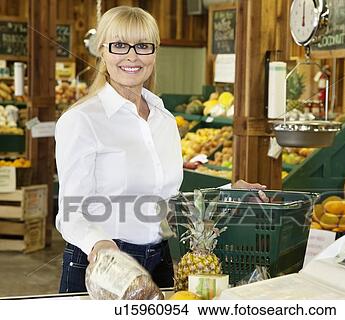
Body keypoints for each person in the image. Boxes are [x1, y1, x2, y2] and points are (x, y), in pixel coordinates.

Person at [55, 6, 267, 293]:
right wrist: (102, 246)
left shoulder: (163, 119)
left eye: (143, 46)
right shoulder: (81, 120)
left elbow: (167, 201)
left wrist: (229, 192)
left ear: (154, 52)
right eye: (119, 45)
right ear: (103, 51)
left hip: (160, 259)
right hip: (102, 265)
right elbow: (71, 211)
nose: (132, 56)